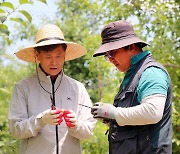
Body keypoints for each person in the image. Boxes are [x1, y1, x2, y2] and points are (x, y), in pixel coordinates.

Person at [8, 24, 96, 154]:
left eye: (59, 56)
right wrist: (41, 120)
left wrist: (75, 125)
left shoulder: (77, 88)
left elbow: (88, 131)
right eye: (48, 57)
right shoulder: (23, 87)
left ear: (65, 55)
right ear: (37, 55)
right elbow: (16, 130)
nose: (54, 62)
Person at [91, 20, 172, 154]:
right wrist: (110, 120)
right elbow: (135, 126)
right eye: (107, 55)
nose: (110, 58)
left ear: (131, 46)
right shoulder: (132, 76)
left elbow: (153, 112)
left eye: (112, 52)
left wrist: (114, 113)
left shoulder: (151, 72)